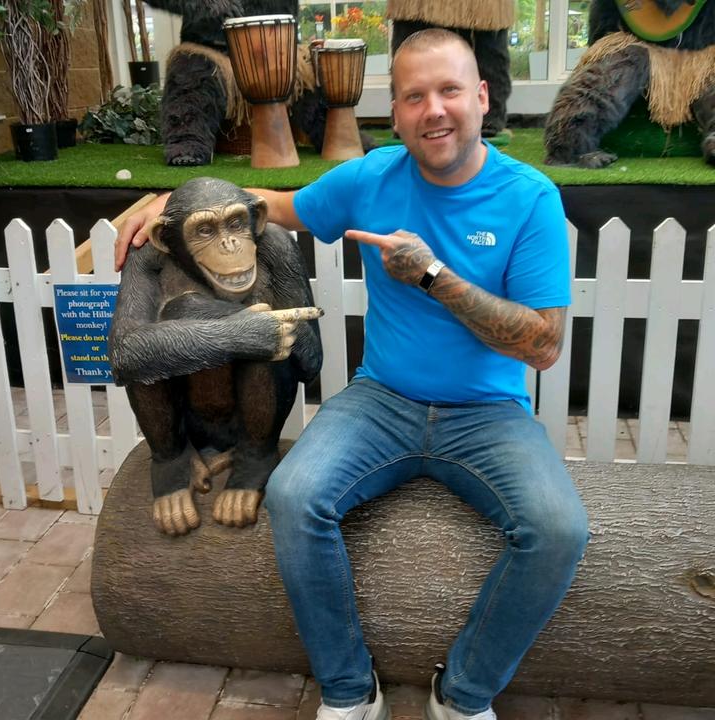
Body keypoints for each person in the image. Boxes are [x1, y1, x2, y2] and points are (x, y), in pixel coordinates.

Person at [115, 28, 589, 720]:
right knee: (294, 495)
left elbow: (543, 346)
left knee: (558, 530)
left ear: (483, 97)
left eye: (450, 91)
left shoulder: (530, 197)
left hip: (488, 413)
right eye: (414, 96)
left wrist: (434, 277)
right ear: (394, 113)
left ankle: (462, 693)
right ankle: (348, 689)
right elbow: (271, 205)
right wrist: (170, 199)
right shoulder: (370, 178)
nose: (434, 110)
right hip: (382, 400)